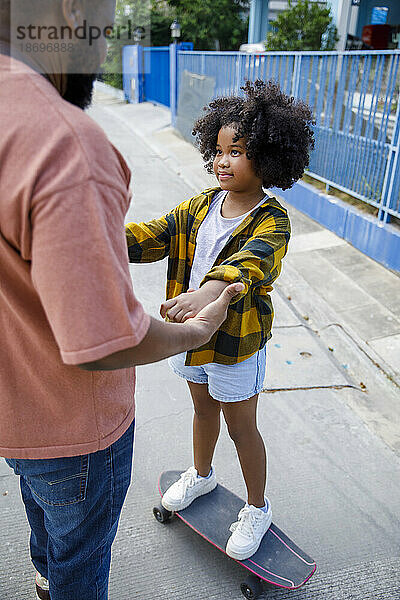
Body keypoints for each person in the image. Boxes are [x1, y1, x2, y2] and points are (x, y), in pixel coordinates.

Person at [0, 1, 243, 599]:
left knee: (44, 513)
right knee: (80, 557)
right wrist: (197, 331)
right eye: (104, 29)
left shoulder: (267, 219)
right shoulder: (62, 144)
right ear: (71, 10)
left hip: (13, 414)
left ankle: (44, 577)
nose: (104, 48)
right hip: (75, 427)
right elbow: (105, 342)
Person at [125, 80, 314, 560]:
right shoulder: (200, 205)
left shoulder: (272, 219)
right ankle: (202, 476)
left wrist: (208, 293)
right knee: (203, 411)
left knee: (241, 426)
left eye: (238, 151)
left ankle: (257, 506)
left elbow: (250, 264)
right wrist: (99, 230)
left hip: (235, 344)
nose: (222, 160)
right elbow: (152, 236)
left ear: (269, 157)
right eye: (219, 150)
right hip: (192, 338)